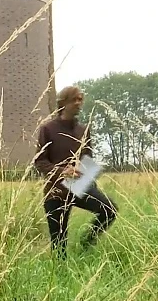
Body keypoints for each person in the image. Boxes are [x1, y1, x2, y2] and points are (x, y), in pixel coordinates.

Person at [33, 85, 118, 260]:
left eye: (81, 99)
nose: (79, 103)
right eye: (75, 99)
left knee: (109, 210)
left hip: (79, 187)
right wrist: (62, 172)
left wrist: (88, 172)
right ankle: (60, 274)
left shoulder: (83, 130)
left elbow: (88, 158)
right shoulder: (47, 129)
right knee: (59, 244)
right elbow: (40, 161)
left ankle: (86, 243)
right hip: (55, 192)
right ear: (63, 103)